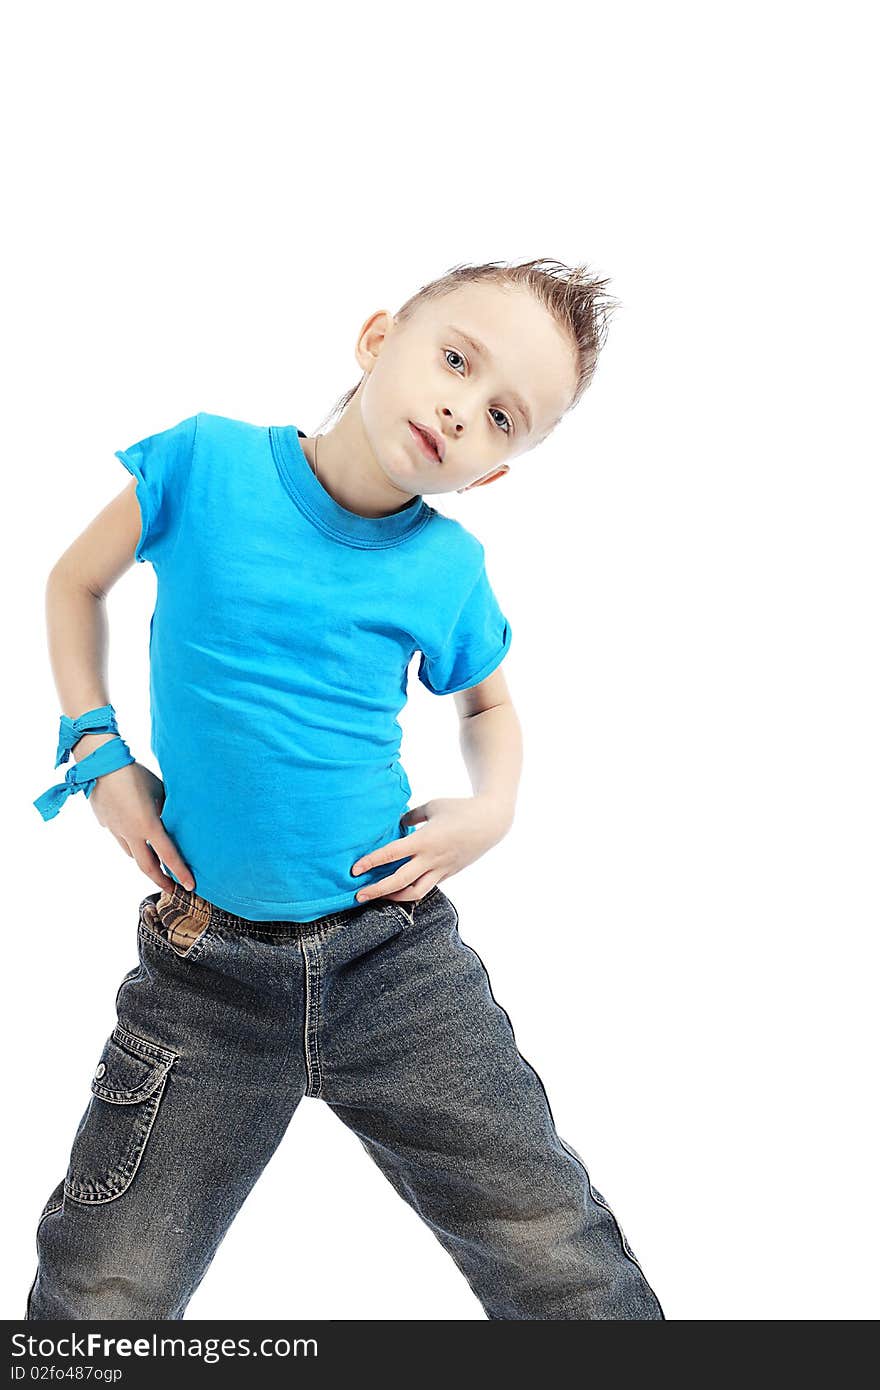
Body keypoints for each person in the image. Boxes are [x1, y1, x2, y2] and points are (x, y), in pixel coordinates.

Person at [26, 258, 665, 1320]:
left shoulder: (443, 569)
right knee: (100, 1295)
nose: (463, 408)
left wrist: (491, 809)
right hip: (206, 974)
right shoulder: (203, 463)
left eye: (503, 417)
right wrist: (98, 758)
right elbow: (71, 580)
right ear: (379, 339)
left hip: (393, 964)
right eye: (456, 359)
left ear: (494, 470)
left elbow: (489, 709)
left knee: (561, 1260)